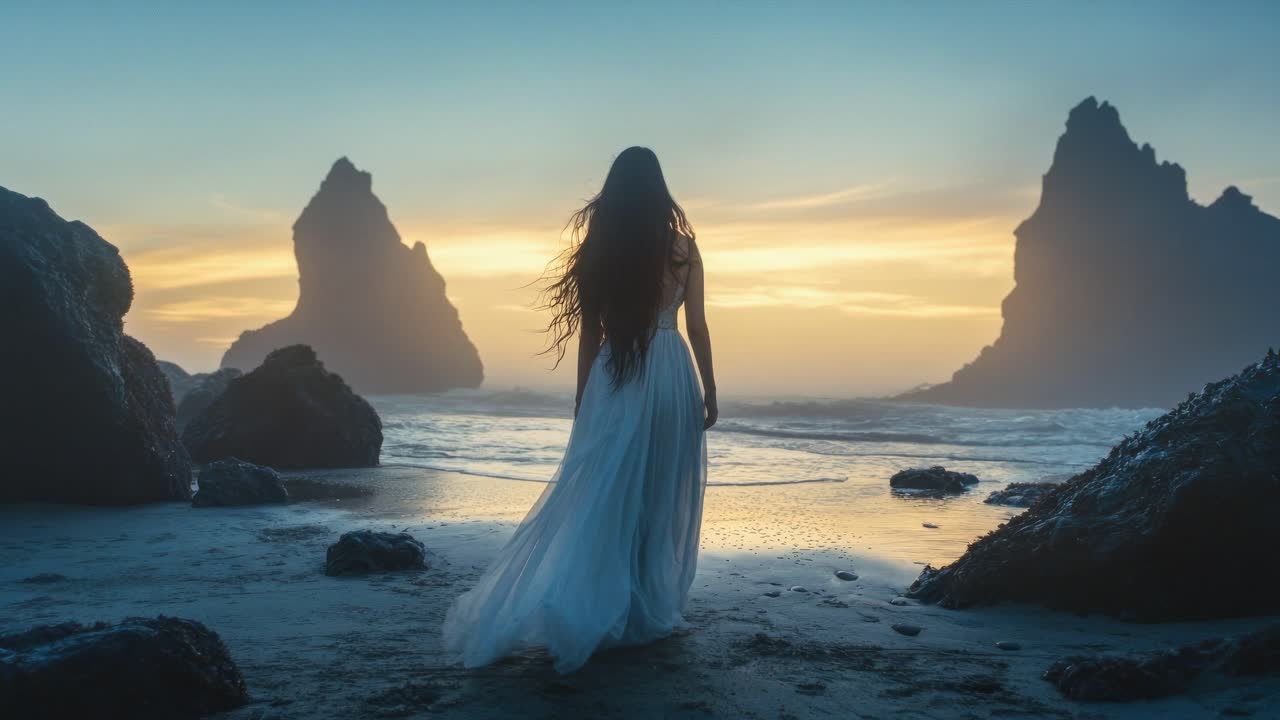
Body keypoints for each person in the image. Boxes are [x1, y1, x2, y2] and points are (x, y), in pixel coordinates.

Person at [442, 146, 718, 673]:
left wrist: (582, 396)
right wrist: (710, 390)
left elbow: (591, 332)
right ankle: (642, 607)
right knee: (657, 491)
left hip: (617, 372)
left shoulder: (600, 251)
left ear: (612, 193)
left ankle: (608, 604)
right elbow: (698, 326)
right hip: (671, 372)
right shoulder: (683, 249)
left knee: (608, 490)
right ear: (660, 191)